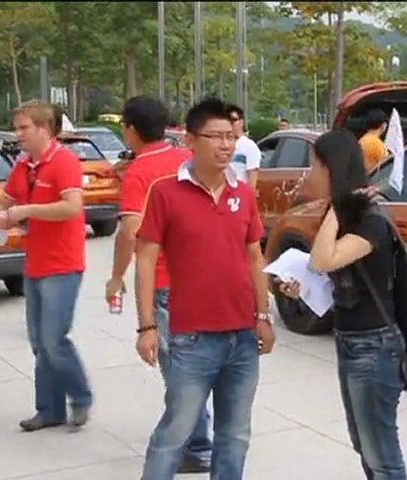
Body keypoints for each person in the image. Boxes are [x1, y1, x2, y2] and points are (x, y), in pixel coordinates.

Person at [136, 97, 276, 480]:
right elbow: (145, 260)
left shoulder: (243, 194)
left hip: (242, 338)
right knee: (175, 433)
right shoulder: (166, 193)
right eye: (215, 136)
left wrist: (263, 315)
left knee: (235, 435)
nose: (225, 145)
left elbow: (254, 258)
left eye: (231, 136)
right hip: (191, 339)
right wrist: (147, 326)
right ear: (190, 140)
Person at [278, 129, 407, 479]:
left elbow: (323, 259)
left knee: (381, 452)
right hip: (352, 339)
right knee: (363, 443)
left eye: (315, 166)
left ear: (331, 169)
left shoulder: (371, 220)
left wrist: (337, 204)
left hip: (375, 346)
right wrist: (303, 288)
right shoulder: (348, 217)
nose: (310, 174)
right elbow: (334, 277)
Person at [104, 96, 212, 474]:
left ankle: (196, 445)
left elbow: (129, 233)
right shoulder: (189, 159)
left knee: (180, 369)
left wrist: (117, 276)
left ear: (131, 130)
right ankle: (197, 439)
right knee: (196, 362)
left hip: (166, 282)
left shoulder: (140, 172)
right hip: (203, 278)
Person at [0, 100, 92, 432]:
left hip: (63, 265)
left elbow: (72, 207)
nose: (18, 134)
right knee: (39, 343)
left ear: (46, 129)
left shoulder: (64, 163)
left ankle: (81, 396)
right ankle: (50, 410)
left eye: (24, 128)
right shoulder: (24, 166)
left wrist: (27, 211)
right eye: (16, 128)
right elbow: (6, 205)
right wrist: (7, 215)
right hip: (35, 264)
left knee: (53, 339)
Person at [226, 104, 261, 190]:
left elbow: (252, 180)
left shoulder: (249, 147)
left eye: (234, 120)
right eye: (227, 120)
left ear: (241, 122)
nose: (231, 123)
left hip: (238, 194)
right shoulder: (222, 145)